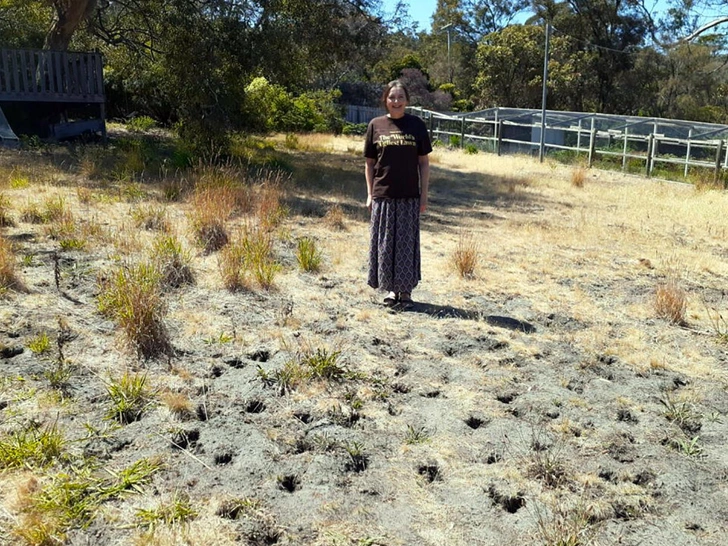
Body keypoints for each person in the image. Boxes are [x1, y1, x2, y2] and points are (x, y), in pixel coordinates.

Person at [364, 80, 432, 306]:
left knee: (405, 244)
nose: (396, 101)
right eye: (392, 97)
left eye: (400, 97)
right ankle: (392, 291)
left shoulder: (416, 126)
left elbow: (423, 163)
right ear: (385, 100)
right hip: (383, 194)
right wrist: (369, 194)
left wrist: (423, 195)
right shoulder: (376, 125)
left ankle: (406, 292)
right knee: (385, 244)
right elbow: (369, 163)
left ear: (407, 101)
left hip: (409, 195)